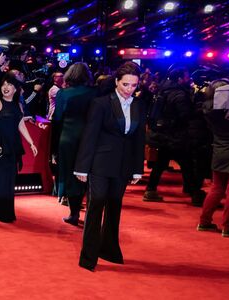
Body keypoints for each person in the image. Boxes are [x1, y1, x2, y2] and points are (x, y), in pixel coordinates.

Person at [73, 62, 146, 271]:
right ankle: (88, 257)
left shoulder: (138, 105)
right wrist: (82, 168)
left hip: (123, 166)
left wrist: (137, 168)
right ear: (116, 82)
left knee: (115, 207)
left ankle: (109, 250)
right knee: (96, 205)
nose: (129, 89)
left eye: (133, 85)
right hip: (99, 163)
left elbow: (138, 139)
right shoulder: (101, 103)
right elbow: (90, 135)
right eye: (125, 84)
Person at [0, 73, 38, 223]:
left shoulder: (18, 105)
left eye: (9, 85)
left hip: (13, 146)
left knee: (8, 179)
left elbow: (20, 124)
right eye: (4, 84)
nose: (6, 87)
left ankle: (4, 211)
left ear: (16, 89)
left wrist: (31, 142)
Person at [144, 68, 202, 205]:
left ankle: (150, 189)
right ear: (180, 79)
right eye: (187, 77)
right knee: (187, 164)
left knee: (161, 163)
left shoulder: (163, 91)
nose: (189, 79)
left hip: (164, 134)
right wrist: (197, 108)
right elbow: (185, 115)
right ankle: (195, 194)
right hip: (176, 135)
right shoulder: (180, 95)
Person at [51, 63, 96, 226]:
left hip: (68, 138)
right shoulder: (95, 93)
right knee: (91, 175)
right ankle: (91, 214)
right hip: (90, 139)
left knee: (70, 176)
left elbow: (57, 120)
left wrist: (53, 149)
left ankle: (74, 213)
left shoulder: (63, 94)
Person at [198, 79, 229, 238]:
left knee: (217, 188)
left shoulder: (208, 109)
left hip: (219, 150)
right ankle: (227, 227)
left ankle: (204, 221)